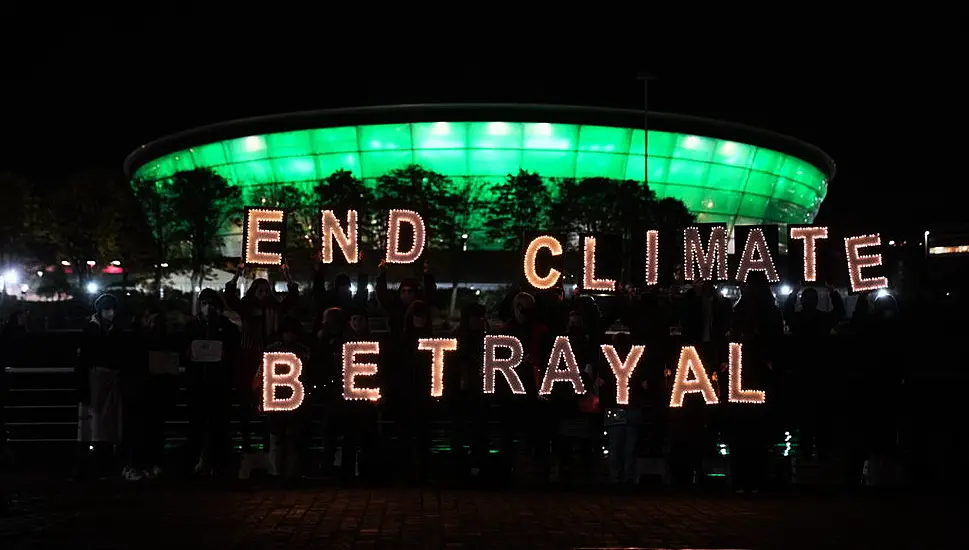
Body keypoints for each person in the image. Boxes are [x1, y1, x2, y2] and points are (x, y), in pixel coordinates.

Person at [223, 264, 300, 455]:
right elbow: (230, 298)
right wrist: (237, 275)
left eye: (266, 290)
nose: (263, 294)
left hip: (270, 359)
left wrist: (287, 276)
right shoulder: (246, 307)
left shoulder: (276, 308)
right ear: (253, 291)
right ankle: (248, 441)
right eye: (259, 290)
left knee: (269, 402)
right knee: (247, 399)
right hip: (249, 357)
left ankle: (268, 443)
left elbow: (293, 298)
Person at [184, 288, 240, 477]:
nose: (208, 309)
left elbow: (235, 353)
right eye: (204, 304)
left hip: (219, 384)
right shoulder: (192, 327)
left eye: (211, 305)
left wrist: (227, 358)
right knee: (196, 426)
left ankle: (220, 464)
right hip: (198, 383)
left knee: (220, 426)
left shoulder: (228, 329)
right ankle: (195, 463)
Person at [76, 294, 125, 479]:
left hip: (102, 381)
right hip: (97, 381)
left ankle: (97, 464)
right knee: (96, 425)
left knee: (98, 426)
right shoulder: (94, 331)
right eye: (107, 310)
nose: (110, 313)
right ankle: (94, 464)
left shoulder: (97, 330)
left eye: (112, 310)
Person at [262, 317, 312, 478]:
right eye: (287, 332)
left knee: (291, 438)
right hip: (280, 399)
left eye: (292, 332)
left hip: (290, 399)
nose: (289, 335)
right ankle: (278, 472)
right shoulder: (277, 350)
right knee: (278, 438)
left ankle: (287, 473)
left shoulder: (299, 350)